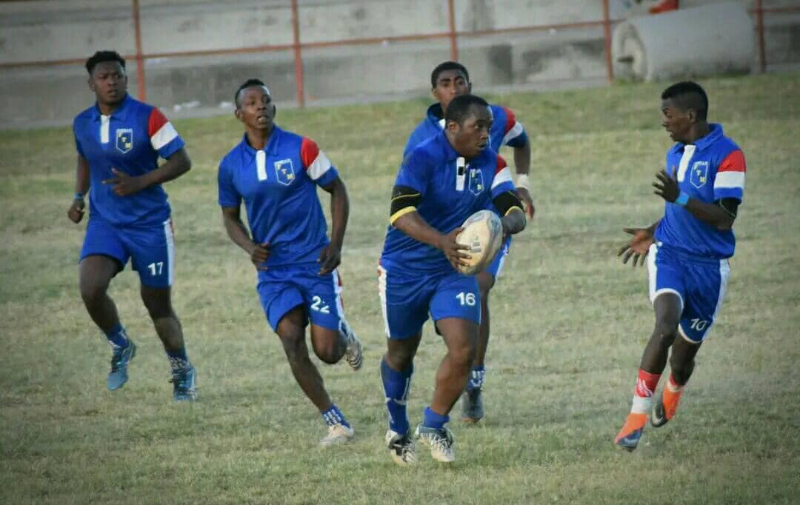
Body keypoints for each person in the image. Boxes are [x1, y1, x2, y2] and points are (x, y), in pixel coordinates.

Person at [379, 94, 527, 465]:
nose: (485, 135)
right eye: (479, 127)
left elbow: (515, 210)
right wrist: (441, 240)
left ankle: (434, 425)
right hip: (405, 268)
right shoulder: (423, 157)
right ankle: (398, 427)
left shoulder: (493, 162)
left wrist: (499, 224)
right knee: (400, 353)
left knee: (463, 349)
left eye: (489, 128)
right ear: (453, 127)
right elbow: (400, 213)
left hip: (455, 268)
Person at [217, 79, 363, 446]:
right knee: (291, 338)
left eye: (265, 100)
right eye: (251, 103)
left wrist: (336, 242)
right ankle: (335, 422)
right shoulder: (231, 166)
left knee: (327, 352)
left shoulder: (302, 148)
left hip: (314, 263)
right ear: (240, 115)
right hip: (274, 273)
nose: (261, 107)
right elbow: (230, 217)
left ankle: (343, 336)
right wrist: (250, 247)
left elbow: (338, 189)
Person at [614, 81, 746, 451]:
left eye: (668, 114)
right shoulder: (675, 153)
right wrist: (653, 231)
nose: (663, 121)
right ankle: (636, 416)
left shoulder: (729, 155)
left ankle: (674, 389)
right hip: (670, 254)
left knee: (684, 357)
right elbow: (677, 209)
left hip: (709, 267)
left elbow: (723, 219)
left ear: (690, 115)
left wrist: (681, 197)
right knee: (665, 325)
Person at [404, 61, 535, 423]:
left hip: (491, 224)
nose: (455, 88)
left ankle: (474, 384)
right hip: (444, 233)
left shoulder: (495, 118)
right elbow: (411, 200)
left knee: (478, 287)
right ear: (436, 94)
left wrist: (522, 184)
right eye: (446, 84)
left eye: (460, 81)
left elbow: (522, 140)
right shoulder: (421, 141)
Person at [68, 51, 197, 401]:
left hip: (150, 225)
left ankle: (182, 370)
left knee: (157, 307)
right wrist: (79, 196)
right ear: (91, 83)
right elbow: (85, 157)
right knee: (90, 287)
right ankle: (120, 343)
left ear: (126, 78)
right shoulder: (82, 123)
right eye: (105, 77)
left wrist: (141, 182)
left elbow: (182, 161)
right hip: (106, 223)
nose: (112, 82)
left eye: (118, 75)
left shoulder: (148, 117)